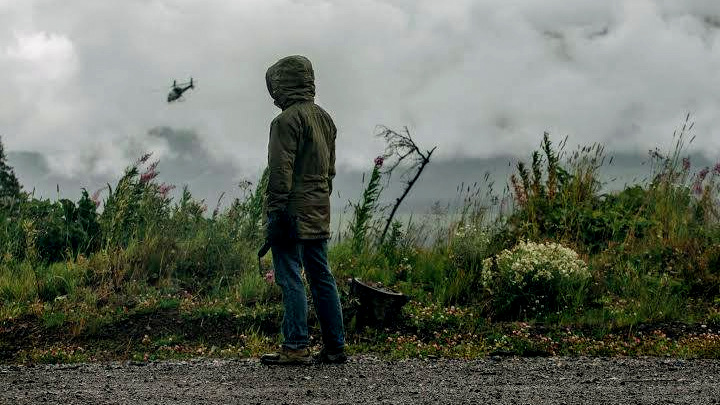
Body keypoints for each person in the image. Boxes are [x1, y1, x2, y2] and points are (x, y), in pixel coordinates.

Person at [260, 55, 346, 365]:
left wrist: (276, 212)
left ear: (282, 84)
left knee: (290, 276)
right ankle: (335, 346)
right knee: (322, 275)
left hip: (290, 212)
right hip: (319, 208)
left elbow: (280, 172)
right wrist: (319, 202)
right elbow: (330, 171)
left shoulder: (285, 121)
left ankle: (295, 345)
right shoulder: (325, 119)